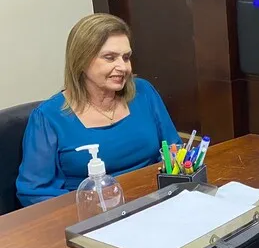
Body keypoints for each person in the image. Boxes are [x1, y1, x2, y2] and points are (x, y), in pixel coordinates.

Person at [16, 14, 180, 206]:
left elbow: (173, 150)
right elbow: (34, 192)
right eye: (110, 58)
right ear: (82, 60)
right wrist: (87, 211)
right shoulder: (48, 117)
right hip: (92, 214)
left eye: (126, 57)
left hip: (154, 201)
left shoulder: (144, 92)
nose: (123, 67)